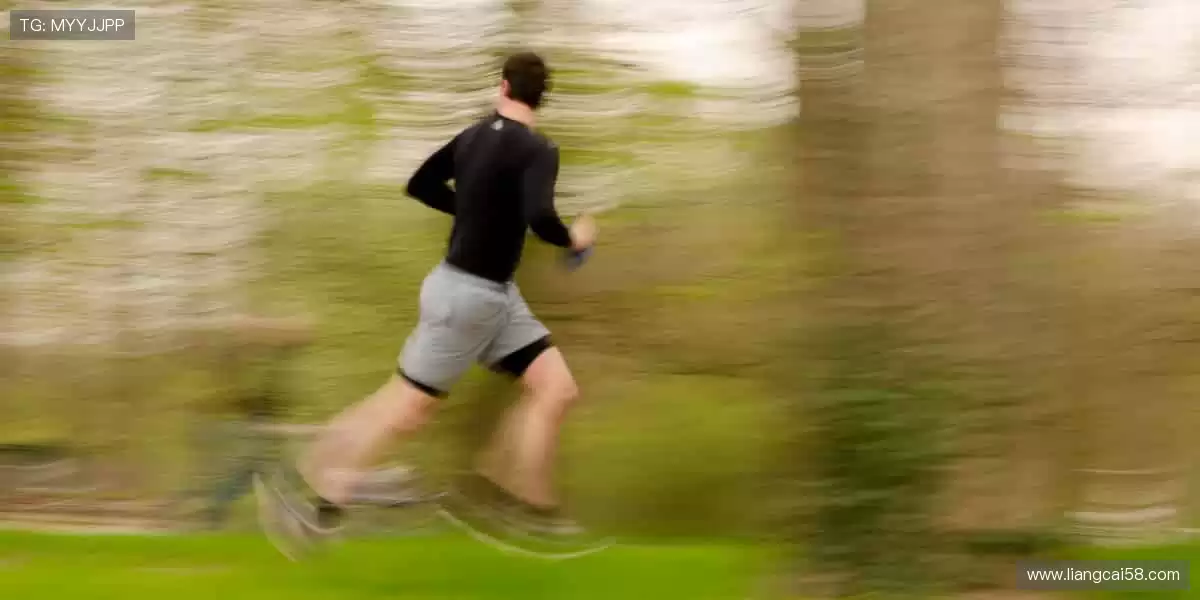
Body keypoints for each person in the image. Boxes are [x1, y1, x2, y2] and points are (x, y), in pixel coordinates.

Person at [254, 51, 598, 556]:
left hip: (494, 298)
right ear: (541, 98)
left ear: (502, 87)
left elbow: (420, 184)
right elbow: (542, 219)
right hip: (469, 298)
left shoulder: (473, 136)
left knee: (556, 389)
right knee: (403, 409)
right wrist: (576, 239)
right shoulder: (539, 149)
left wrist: (475, 209)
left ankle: (522, 507)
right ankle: (317, 497)